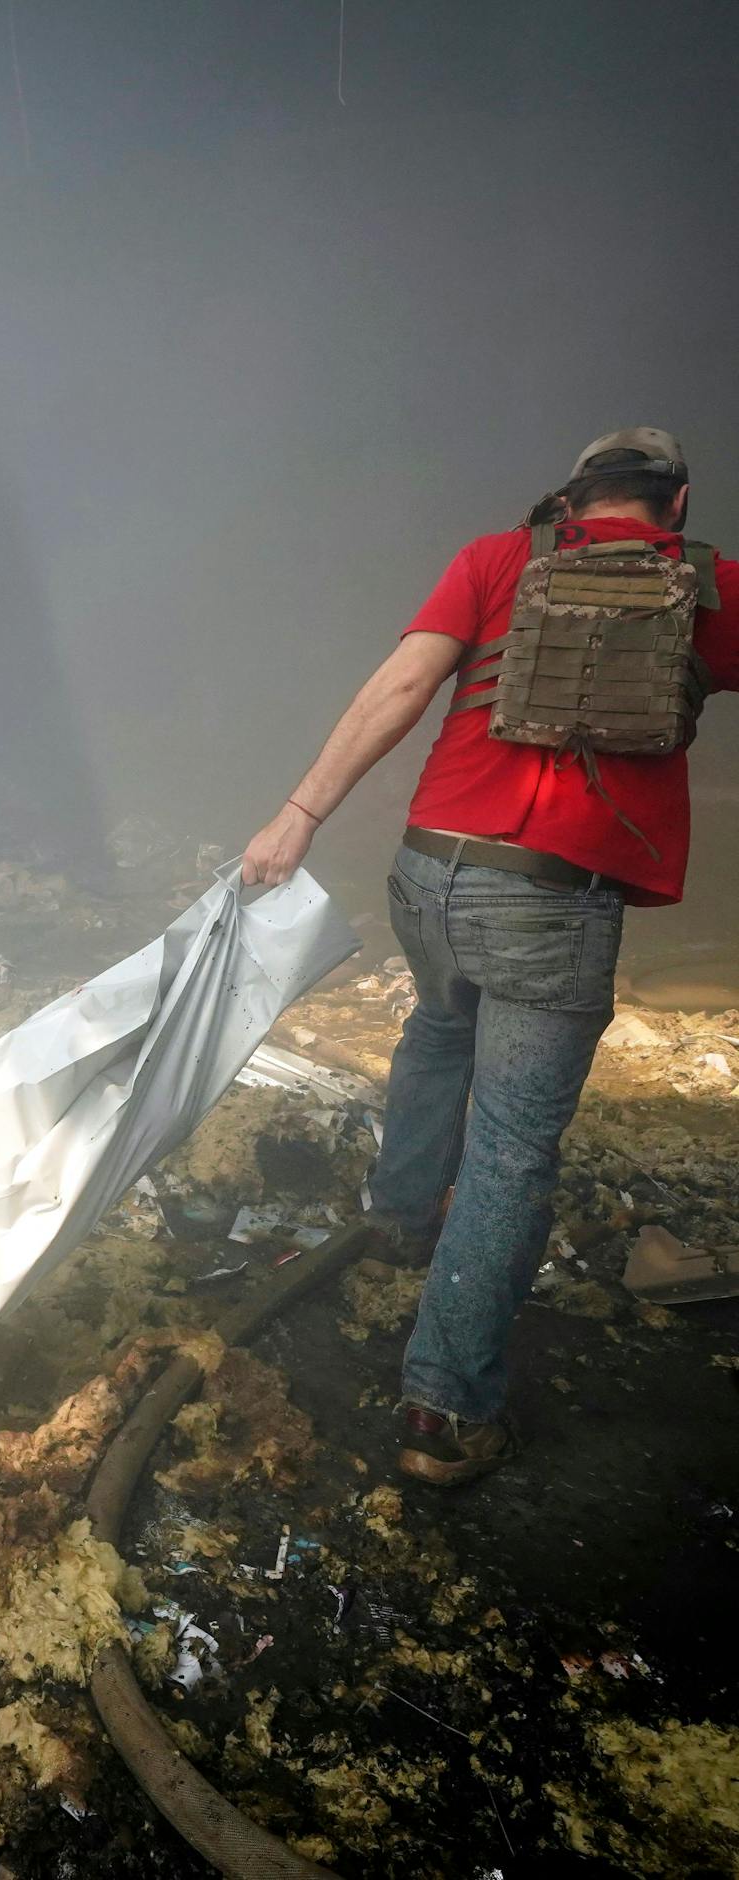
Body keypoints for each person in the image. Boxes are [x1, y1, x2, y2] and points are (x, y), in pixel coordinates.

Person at [242, 429, 739, 1486]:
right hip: (549, 900)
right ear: (678, 502)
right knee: (510, 1151)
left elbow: (398, 688)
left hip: (429, 873)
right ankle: (445, 1410)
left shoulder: (496, 558)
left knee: (437, 1024)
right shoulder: (708, 588)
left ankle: (397, 1219)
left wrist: (298, 814)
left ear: (573, 495)